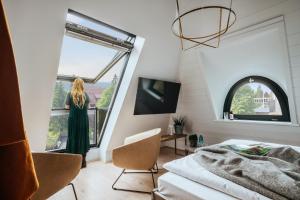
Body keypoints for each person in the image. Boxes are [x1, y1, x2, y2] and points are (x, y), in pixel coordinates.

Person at [65, 78, 90, 168]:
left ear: (74, 85)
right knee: (83, 138)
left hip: (73, 120)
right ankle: (83, 163)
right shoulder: (85, 95)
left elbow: (67, 107)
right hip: (83, 120)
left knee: (73, 137)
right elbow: (88, 106)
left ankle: (73, 163)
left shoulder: (70, 94)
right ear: (82, 85)